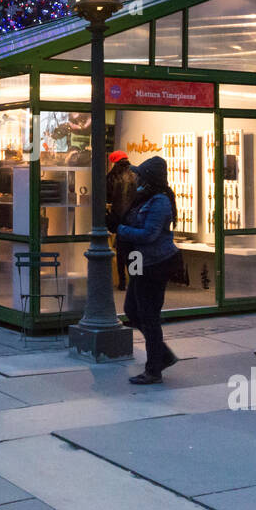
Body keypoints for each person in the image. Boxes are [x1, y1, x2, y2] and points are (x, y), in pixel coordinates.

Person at [117, 156, 182, 385]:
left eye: (139, 175)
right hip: (138, 260)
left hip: (155, 264)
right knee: (131, 310)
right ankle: (162, 355)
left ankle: (154, 368)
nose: (135, 178)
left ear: (149, 178)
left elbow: (149, 234)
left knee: (148, 315)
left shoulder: (159, 202)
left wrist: (121, 230)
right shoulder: (144, 198)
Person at [106, 150, 138, 291]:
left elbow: (107, 196)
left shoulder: (112, 176)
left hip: (119, 218)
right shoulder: (137, 174)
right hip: (135, 217)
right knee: (135, 250)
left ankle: (122, 282)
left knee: (121, 251)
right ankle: (136, 280)